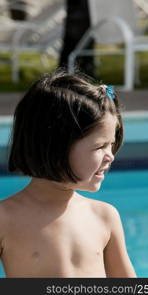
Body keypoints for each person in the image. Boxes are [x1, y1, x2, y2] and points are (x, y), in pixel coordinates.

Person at [0, 69, 136, 278]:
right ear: (55, 146)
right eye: (100, 147)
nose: (110, 156)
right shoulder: (6, 219)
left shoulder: (104, 217)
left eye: (111, 145)